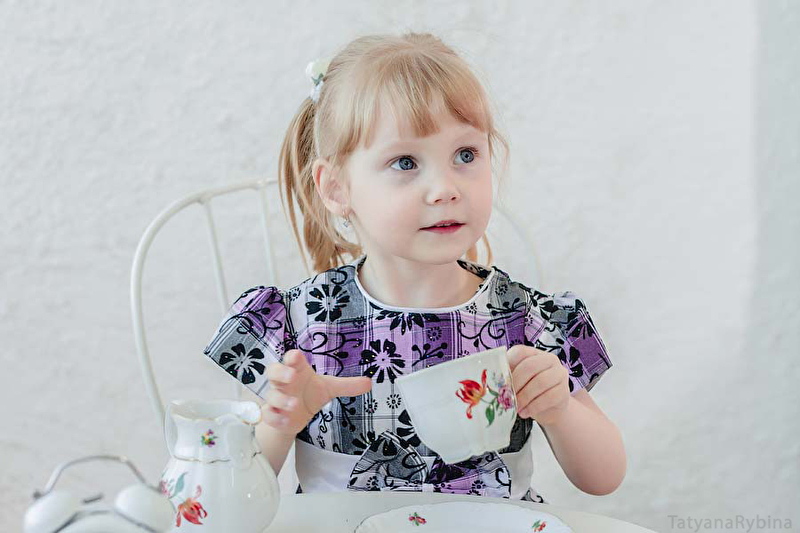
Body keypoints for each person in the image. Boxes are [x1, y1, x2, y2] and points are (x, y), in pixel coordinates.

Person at [203, 31, 625, 502]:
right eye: (405, 162)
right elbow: (232, 500)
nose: (445, 188)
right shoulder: (302, 324)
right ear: (336, 188)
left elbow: (604, 477)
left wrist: (560, 408)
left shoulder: (525, 320)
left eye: (465, 155)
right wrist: (281, 424)